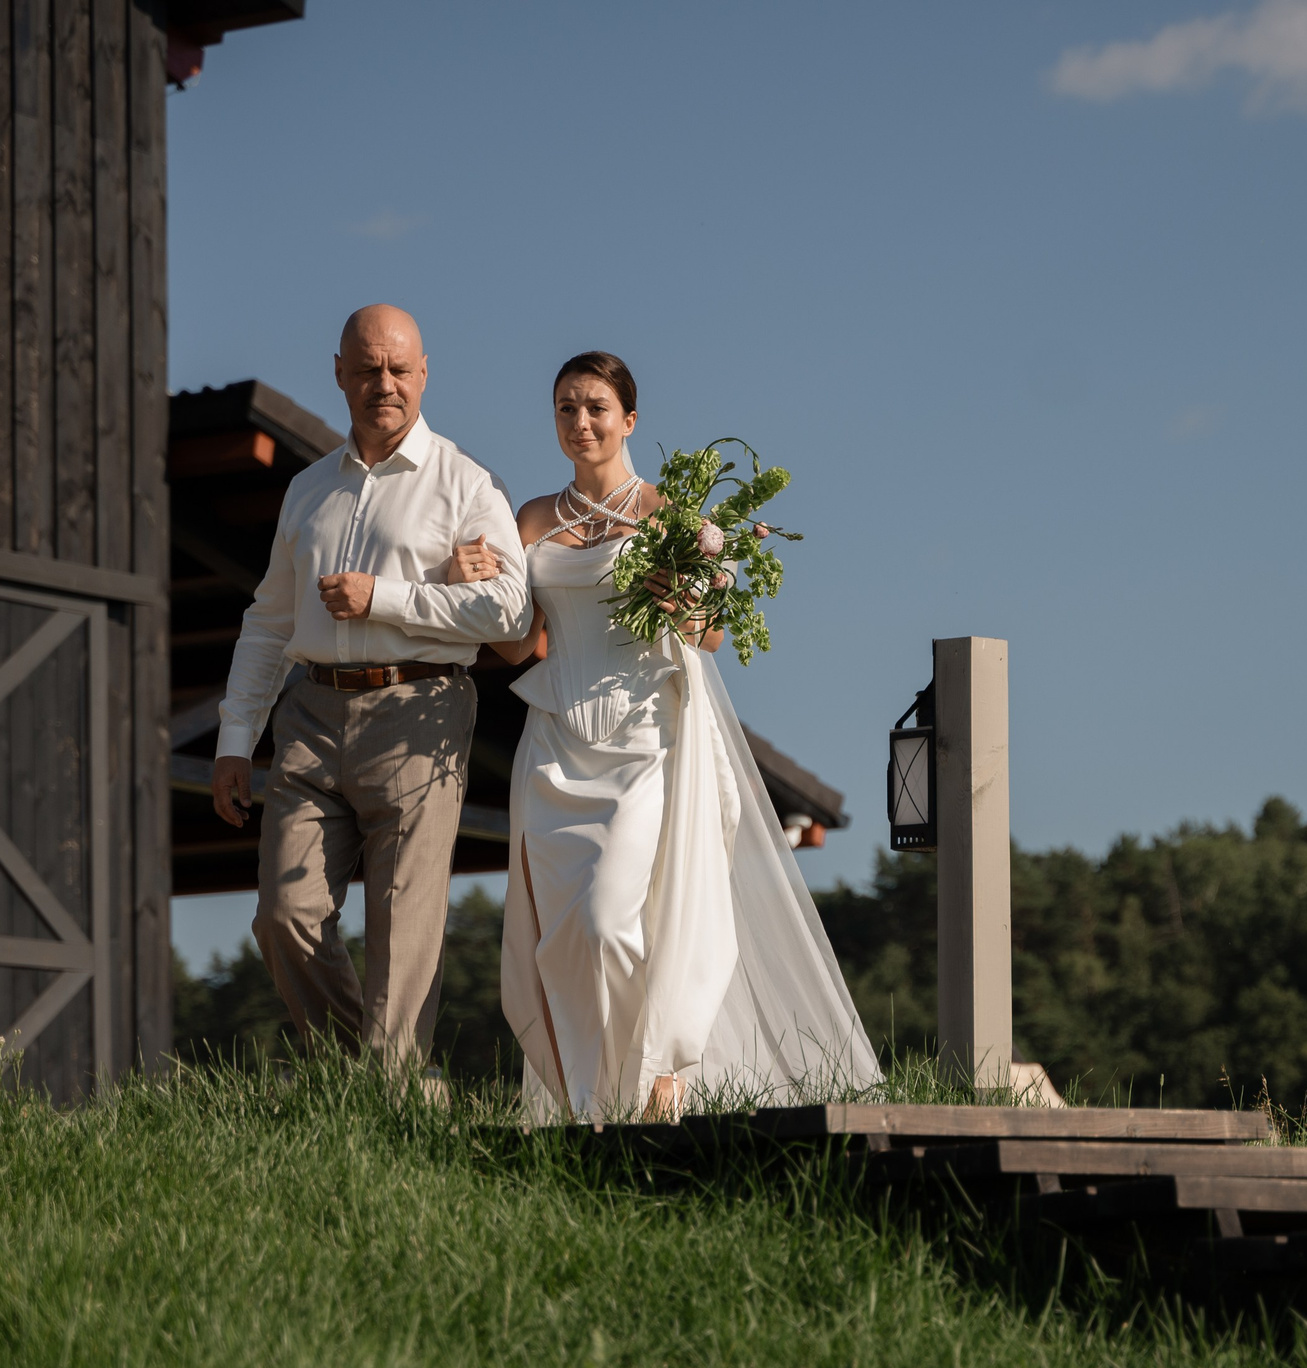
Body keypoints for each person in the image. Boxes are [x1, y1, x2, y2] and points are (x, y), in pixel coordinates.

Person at [444, 351, 878, 1120]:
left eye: (595, 408)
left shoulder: (670, 515)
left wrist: (678, 596)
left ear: (629, 419)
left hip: (645, 739)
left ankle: (654, 1075)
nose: (580, 422)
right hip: (554, 748)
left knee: (613, 919)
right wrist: (476, 582)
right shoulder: (533, 520)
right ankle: (594, 1104)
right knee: (567, 937)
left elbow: (709, 638)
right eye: (565, 409)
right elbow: (520, 646)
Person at [210, 305, 531, 1067]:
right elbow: (267, 622)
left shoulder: (466, 484)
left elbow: (511, 610)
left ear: (424, 375)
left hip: (421, 710)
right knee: (285, 915)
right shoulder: (307, 490)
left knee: (403, 922)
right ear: (339, 374)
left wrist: (383, 596)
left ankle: (385, 1103)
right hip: (310, 712)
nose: (382, 385)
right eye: (366, 370)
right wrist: (233, 739)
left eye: (397, 370)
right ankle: (378, 1080)